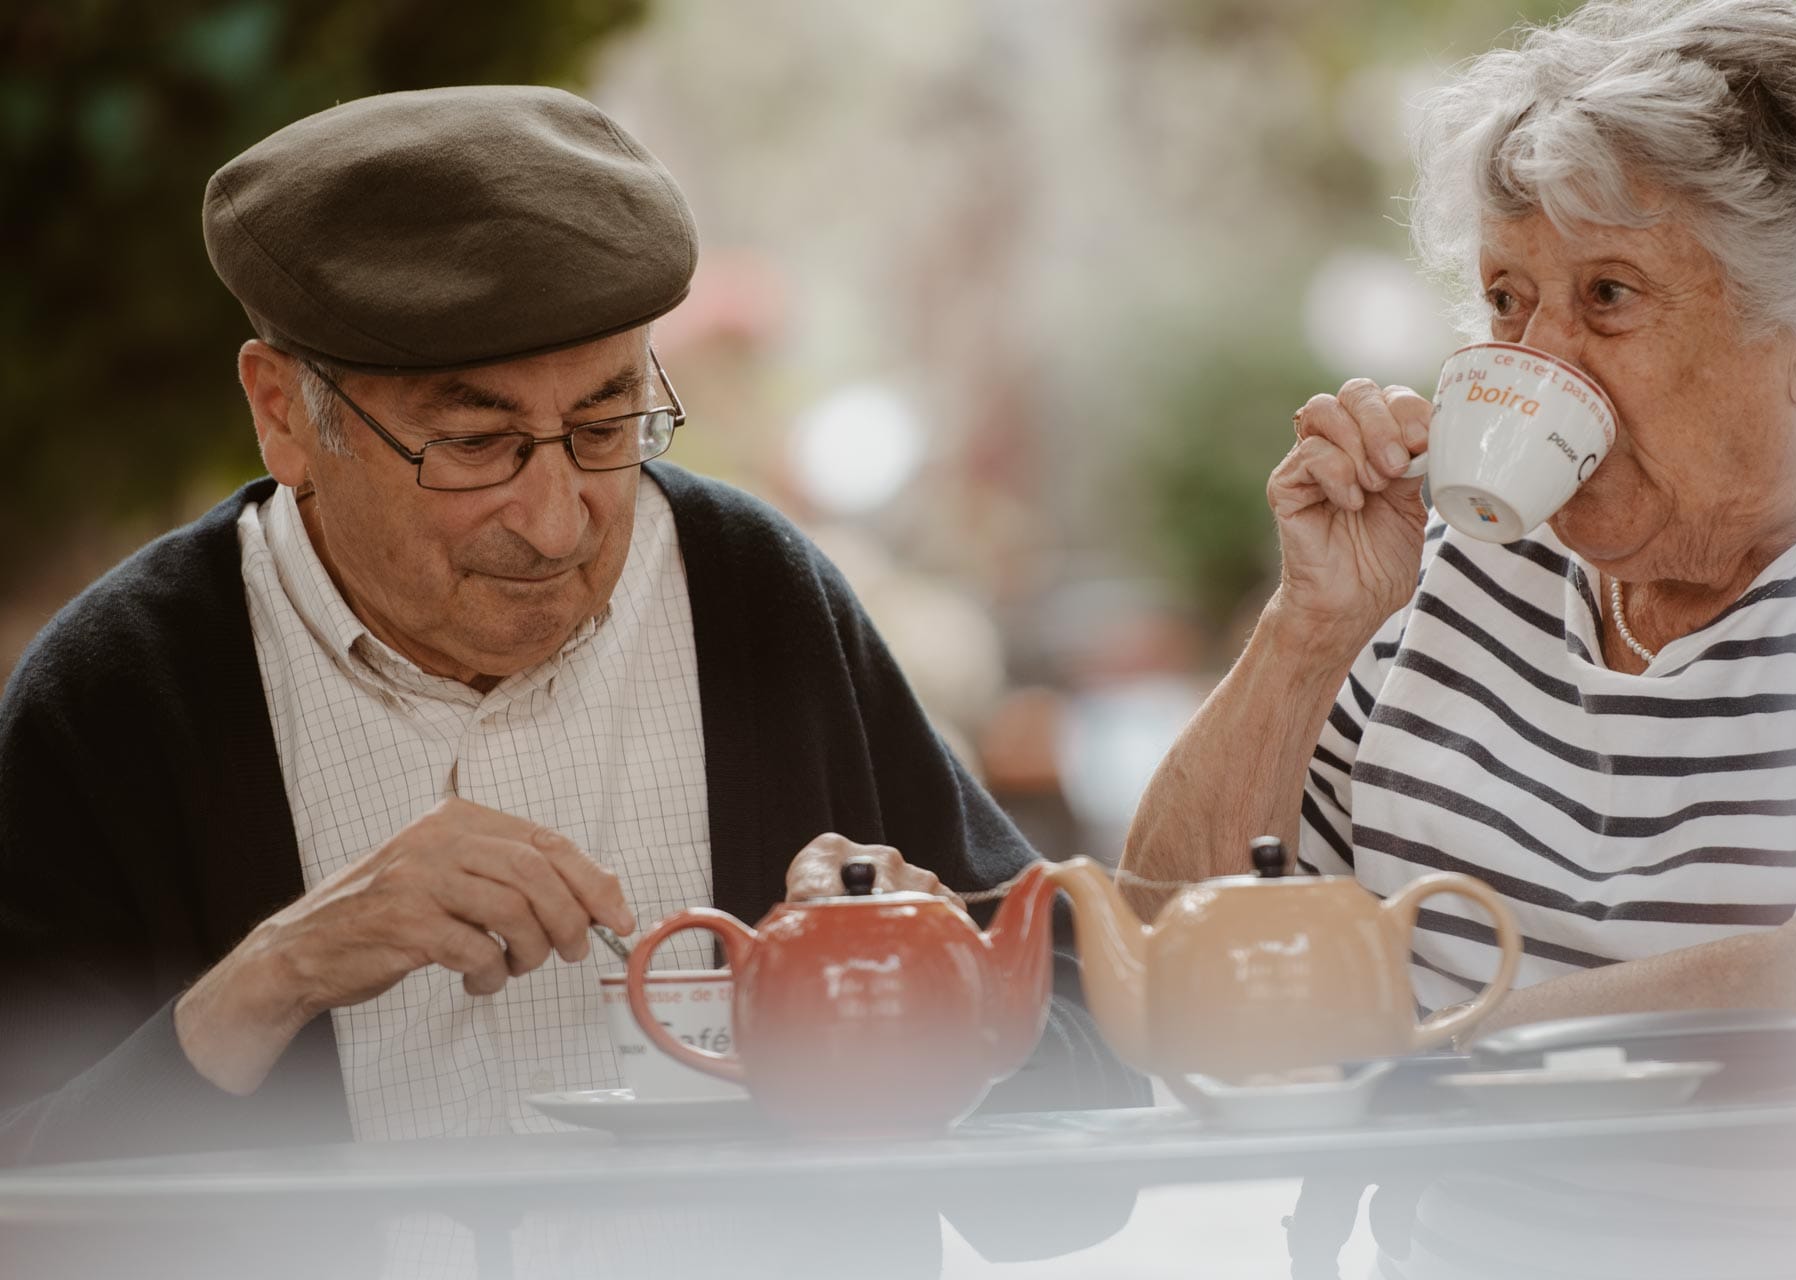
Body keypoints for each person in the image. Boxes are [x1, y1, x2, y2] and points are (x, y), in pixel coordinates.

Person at [0, 85, 1137, 1168]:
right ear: (282, 413)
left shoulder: (756, 599)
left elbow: (1077, 1113)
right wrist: (266, 981)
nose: (555, 526)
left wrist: (928, 994)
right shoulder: (121, 696)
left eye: (605, 425)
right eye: (475, 443)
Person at [1124, 0, 1796, 1075]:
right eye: (1505, 299)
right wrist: (1306, 633)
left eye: (1606, 295)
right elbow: (1163, 970)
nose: (1537, 362)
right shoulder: (1457, 553)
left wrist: (1416, 1060)